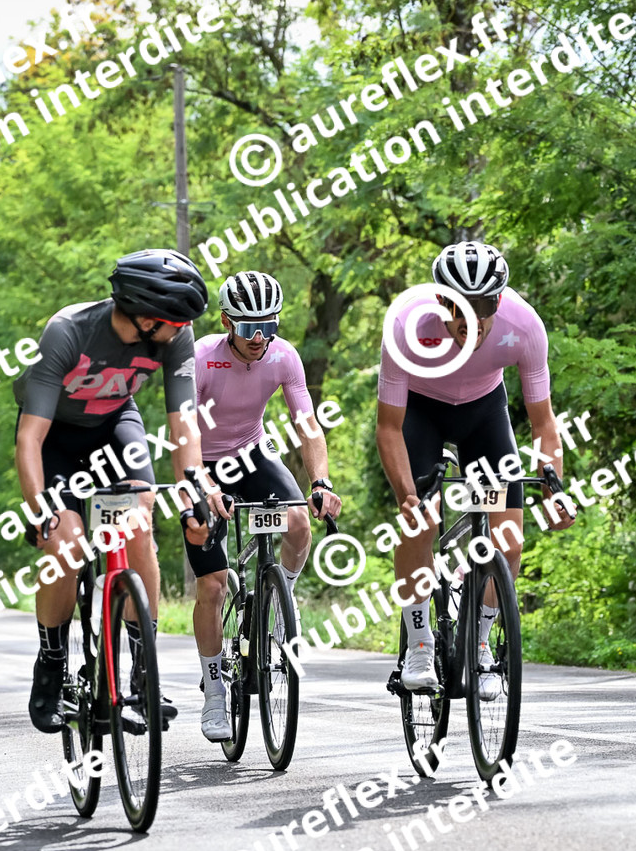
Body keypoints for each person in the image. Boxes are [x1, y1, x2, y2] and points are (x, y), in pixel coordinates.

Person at [13, 248, 232, 733]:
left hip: (115, 427)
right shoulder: (68, 331)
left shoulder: (175, 335)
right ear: (145, 317)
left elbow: (184, 424)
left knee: (138, 523)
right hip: (55, 439)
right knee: (65, 546)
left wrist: (195, 487)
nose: (184, 330)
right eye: (175, 321)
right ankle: (51, 664)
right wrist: (40, 507)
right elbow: (30, 437)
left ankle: (143, 670)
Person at [375, 241, 574, 699]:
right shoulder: (406, 324)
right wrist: (407, 495)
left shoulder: (524, 326)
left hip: (483, 414)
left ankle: (481, 643)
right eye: (458, 312)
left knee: (510, 540)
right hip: (420, 412)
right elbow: (389, 427)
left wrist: (553, 486)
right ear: (439, 300)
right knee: (420, 523)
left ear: (498, 301)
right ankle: (419, 642)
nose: (471, 325)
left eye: (482, 312)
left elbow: (544, 423)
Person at [188, 270, 342, 741]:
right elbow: (185, 433)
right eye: (249, 327)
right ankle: (215, 693)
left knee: (299, 523)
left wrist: (321, 481)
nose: (259, 337)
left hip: (253, 453)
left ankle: (280, 600)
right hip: (201, 461)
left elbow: (307, 424)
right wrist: (204, 485)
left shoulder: (283, 357)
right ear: (226, 322)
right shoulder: (202, 359)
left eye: (269, 326)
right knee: (212, 586)